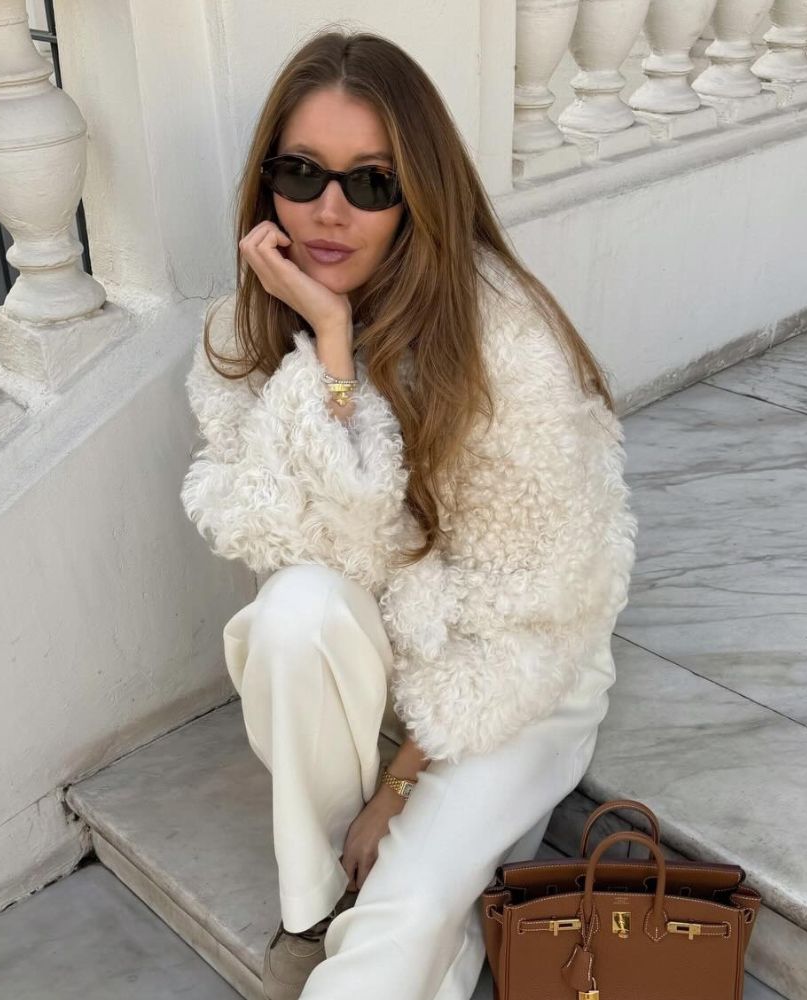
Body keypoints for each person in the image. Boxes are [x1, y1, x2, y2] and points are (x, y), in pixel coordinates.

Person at [179, 27, 638, 1000]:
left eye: (371, 182)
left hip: (517, 668)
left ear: (418, 192)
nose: (329, 211)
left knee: (410, 913)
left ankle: (391, 898)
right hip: (386, 653)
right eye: (301, 174)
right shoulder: (250, 326)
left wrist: (396, 792)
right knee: (292, 611)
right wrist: (332, 359)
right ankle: (313, 902)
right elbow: (284, 537)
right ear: (266, 183)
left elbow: (529, 601)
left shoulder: (501, 339)